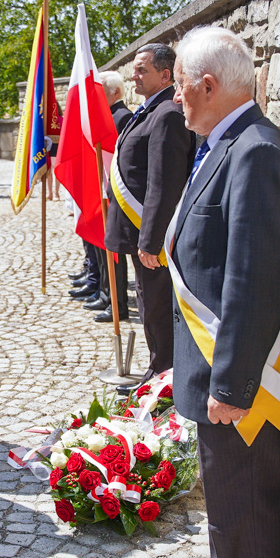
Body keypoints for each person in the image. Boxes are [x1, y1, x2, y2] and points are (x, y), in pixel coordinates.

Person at [170, 26, 280, 557]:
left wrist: (230, 387)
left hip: (241, 387)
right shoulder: (224, 143)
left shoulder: (255, 151)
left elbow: (254, 281)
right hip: (221, 374)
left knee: (243, 521)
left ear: (207, 85)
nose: (175, 95)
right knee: (229, 514)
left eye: (180, 83)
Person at [105, 43, 195, 387]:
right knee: (149, 307)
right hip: (139, 231)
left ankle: (164, 377)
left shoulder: (168, 115)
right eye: (134, 69)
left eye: (142, 69)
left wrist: (151, 239)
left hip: (152, 236)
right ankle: (158, 369)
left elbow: (163, 181)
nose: (134, 75)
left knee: (157, 310)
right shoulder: (151, 109)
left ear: (165, 75)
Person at [84, 71, 131, 322]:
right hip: (102, 189)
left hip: (114, 191)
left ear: (115, 92)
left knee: (113, 250)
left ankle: (117, 302)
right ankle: (105, 292)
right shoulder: (108, 116)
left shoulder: (122, 117)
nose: (97, 95)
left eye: (101, 89)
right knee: (102, 246)